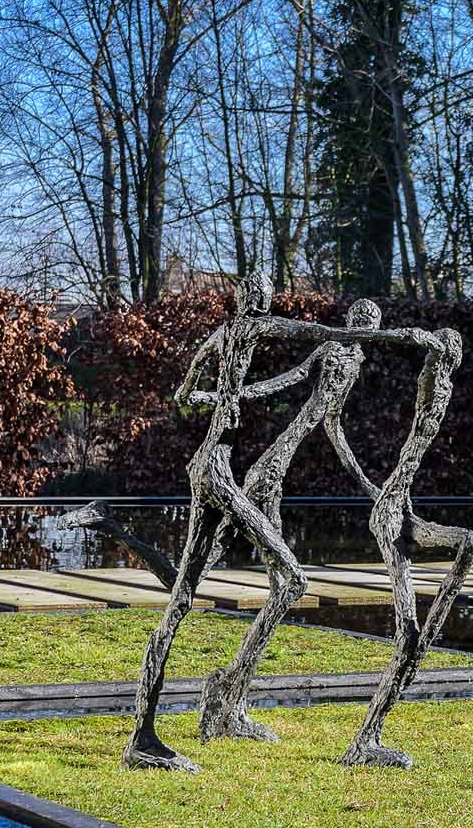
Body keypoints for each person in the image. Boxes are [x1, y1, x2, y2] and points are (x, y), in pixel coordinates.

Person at [124, 272, 436, 771]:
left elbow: (299, 405)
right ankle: (203, 706)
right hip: (233, 471)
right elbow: (311, 340)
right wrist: (408, 338)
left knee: (194, 592)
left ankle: (217, 710)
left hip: (218, 465)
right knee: (288, 581)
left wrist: (214, 397)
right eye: (262, 297)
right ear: (254, 299)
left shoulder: (226, 334)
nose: (264, 303)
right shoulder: (267, 332)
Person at [327, 325, 473, 768]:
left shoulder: (442, 384)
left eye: (453, 353)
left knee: (470, 542)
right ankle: (365, 741)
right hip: (392, 515)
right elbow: (421, 362)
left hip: (405, 510)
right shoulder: (430, 382)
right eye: (445, 352)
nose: (450, 357)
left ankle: (425, 639)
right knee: (406, 633)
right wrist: (408, 337)